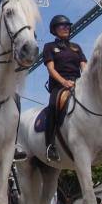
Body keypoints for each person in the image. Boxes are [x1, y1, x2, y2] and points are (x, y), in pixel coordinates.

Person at [41, 15, 87, 162]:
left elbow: (84, 67)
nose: (66, 28)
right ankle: (50, 146)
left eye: (67, 25)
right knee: (53, 106)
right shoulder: (49, 47)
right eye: (62, 26)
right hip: (60, 84)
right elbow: (51, 69)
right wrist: (64, 82)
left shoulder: (76, 47)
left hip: (78, 82)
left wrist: (86, 79)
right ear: (54, 29)